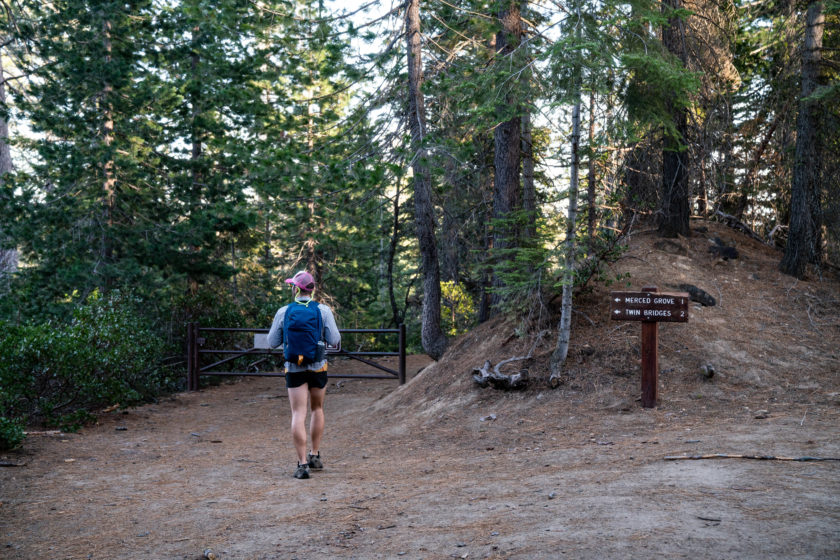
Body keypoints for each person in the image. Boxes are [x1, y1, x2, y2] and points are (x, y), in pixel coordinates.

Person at [267, 270, 341, 479]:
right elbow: (334, 339)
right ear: (312, 289)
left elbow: (272, 342)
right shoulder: (323, 310)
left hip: (294, 368)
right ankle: (315, 455)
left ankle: (302, 465)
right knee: (317, 408)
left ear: (296, 289)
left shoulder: (284, 311)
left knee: (298, 414)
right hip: (318, 366)